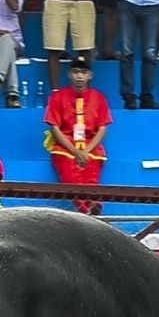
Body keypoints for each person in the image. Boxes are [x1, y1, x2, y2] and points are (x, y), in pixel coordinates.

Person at [44, 60, 113, 214]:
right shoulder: (58, 97)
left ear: (90, 76)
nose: (79, 76)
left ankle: (92, 207)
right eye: (76, 72)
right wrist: (76, 152)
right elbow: (54, 127)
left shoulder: (99, 97)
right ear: (70, 74)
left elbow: (102, 128)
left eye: (83, 73)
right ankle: (86, 211)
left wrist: (86, 151)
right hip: (65, 147)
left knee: (91, 180)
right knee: (71, 178)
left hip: (92, 147)